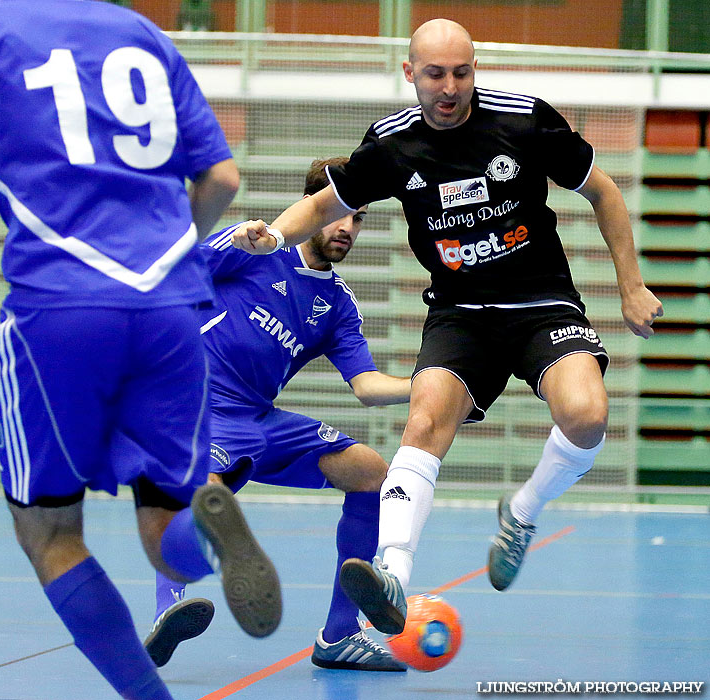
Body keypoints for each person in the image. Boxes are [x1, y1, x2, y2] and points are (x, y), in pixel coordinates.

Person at [230, 19, 664, 634]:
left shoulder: (525, 121)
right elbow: (326, 204)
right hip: (459, 312)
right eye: (435, 74)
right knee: (426, 419)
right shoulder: (391, 144)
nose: (449, 87)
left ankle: (521, 512)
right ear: (411, 74)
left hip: (540, 302)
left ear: (474, 70)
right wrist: (274, 234)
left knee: (588, 415)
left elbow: (604, 192)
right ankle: (392, 577)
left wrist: (630, 286)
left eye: (461, 73)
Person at [0, 2, 281, 699]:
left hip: (60, 310)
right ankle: (205, 534)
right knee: (164, 523)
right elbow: (221, 179)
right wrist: (165, 250)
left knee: (51, 531)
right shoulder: (142, 32)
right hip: (171, 311)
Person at [143, 157, 411, 672]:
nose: (348, 227)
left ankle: (339, 634)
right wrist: (232, 240)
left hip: (260, 421)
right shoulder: (257, 248)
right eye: (341, 213)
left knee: (370, 472)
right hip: (201, 404)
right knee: (207, 493)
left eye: (358, 218)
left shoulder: (337, 304)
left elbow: (367, 386)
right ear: (315, 208)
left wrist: (428, 390)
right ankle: (169, 608)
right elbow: (181, 270)